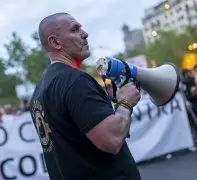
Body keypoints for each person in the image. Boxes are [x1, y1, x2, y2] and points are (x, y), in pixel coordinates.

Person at [30, 13, 141, 180]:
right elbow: (111, 139)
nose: (84, 33)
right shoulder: (75, 81)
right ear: (55, 42)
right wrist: (125, 102)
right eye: (75, 29)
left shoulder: (40, 89)